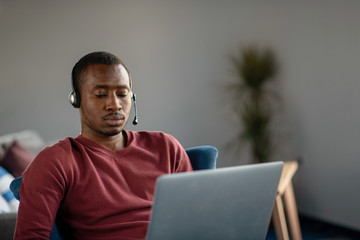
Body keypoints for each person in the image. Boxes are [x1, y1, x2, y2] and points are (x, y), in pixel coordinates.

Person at [14, 51, 193, 239]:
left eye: (122, 94)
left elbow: (196, 214)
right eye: (100, 94)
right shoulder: (55, 161)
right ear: (76, 99)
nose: (115, 105)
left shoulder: (165, 146)